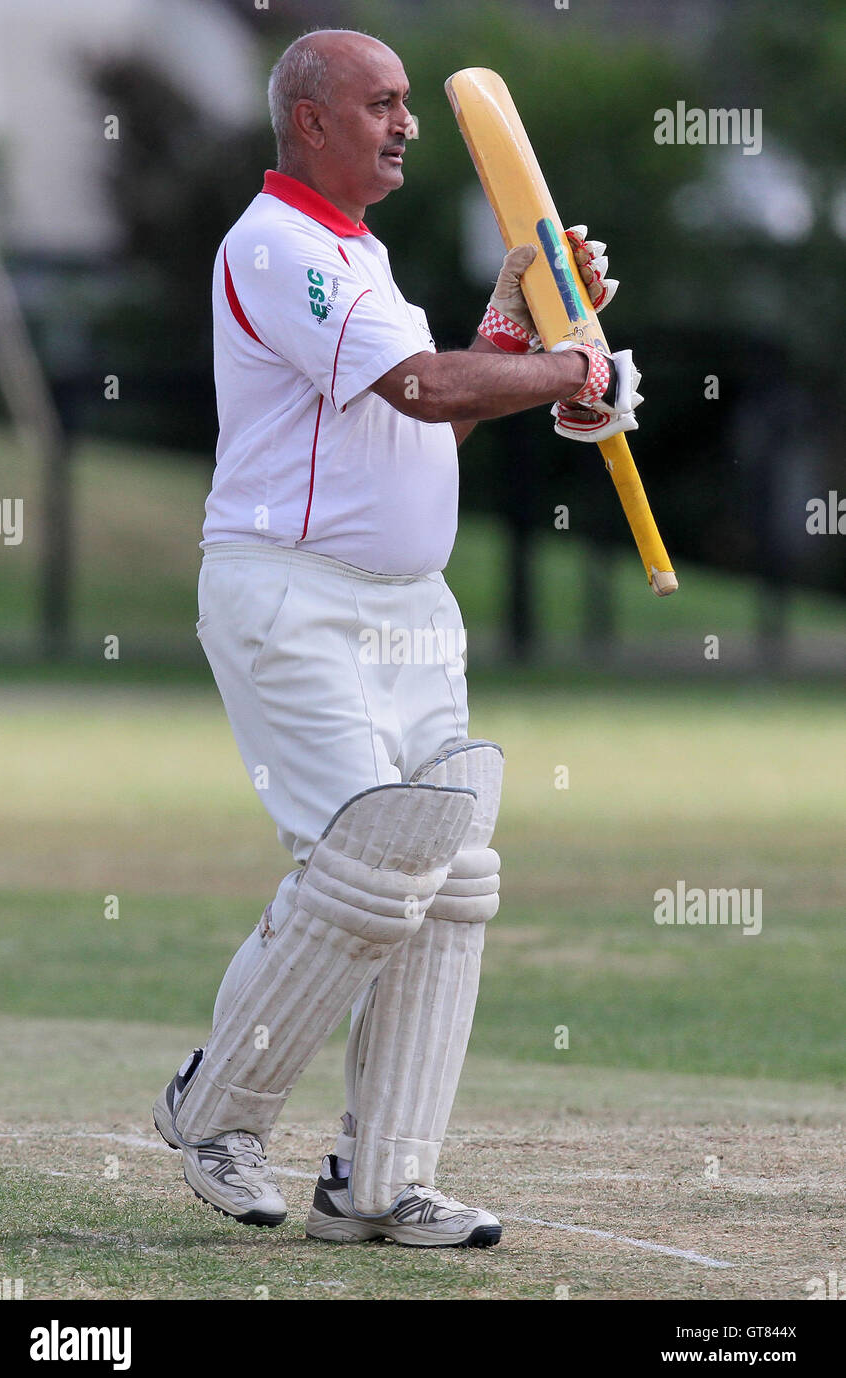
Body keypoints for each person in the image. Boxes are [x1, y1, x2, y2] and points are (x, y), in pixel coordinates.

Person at [153, 27, 640, 1248]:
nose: (406, 121)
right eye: (379, 103)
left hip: (408, 609)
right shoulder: (274, 246)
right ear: (310, 118)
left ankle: (381, 1179)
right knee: (363, 869)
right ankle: (215, 1109)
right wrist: (573, 367)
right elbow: (420, 387)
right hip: (288, 592)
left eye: (408, 103)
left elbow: (429, 421)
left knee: (452, 877)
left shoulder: (364, 263)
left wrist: (528, 336)